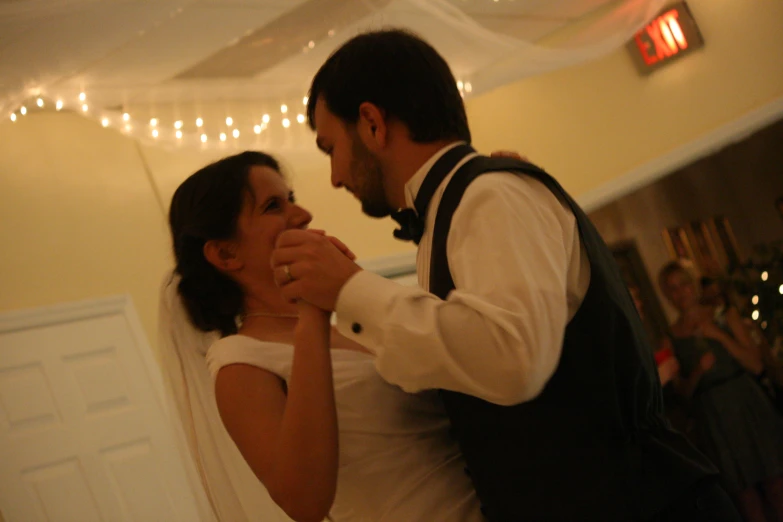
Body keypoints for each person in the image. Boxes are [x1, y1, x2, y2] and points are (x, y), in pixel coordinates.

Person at [270, 28, 740, 521]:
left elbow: (512, 358)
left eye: (330, 149)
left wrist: (350, 288)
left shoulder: (491, 196)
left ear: (371, 123)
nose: (336, 176)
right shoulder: (454, 212)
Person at [161, 150, 537, 521]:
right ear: (225, 255)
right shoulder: (240, 363)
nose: (303, 214)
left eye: (291, 198)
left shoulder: (352, 325)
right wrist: (311, 311)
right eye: (273, 206)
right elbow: (304, 503)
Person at [658, 261, 783, 522]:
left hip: (746, 403)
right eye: (673, 289)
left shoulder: (723, 314)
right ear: (667, 295)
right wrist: (697, 373)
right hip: (715, 417)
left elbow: (756, 363)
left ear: (693, 285)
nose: (681, 293)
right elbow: (682, 393)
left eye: (684, 284)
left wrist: (719, 335)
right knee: (744, 494)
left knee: (776, 481)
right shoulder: (671, 336)